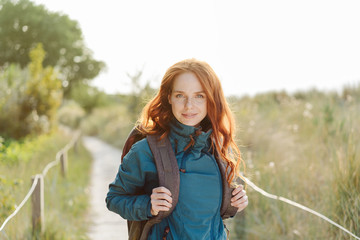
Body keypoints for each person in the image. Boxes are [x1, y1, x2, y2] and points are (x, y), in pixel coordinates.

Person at [106, 58, 248, 239]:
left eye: (199, 96)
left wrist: (236, 202)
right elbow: (114, 199)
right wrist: (148, 205)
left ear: (211, 99)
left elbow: (211, 215)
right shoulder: (146, 150)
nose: (189, 105)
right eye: (180, 95)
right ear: (169, 98)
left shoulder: (219, 149)